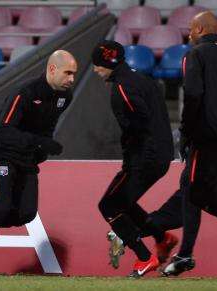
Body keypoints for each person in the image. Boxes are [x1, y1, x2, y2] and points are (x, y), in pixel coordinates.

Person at [108, 17, 217, 277]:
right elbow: (206, 105)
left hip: (211, 155)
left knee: (177, 213)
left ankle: (127, 233)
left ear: (199, 31)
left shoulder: (214, 68)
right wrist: (189, 136)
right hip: (211, 158)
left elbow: (207, 106)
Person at [0, 50, 78, 276]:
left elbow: (47, 127)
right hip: (1, 154)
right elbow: (2, 132)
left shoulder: (64, 97)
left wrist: (43, 149)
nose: (71, 79)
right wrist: (39, 142)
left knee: (26, 214)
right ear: (52, 69)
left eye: (74, 74)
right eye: (68, 72)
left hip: (26, 157)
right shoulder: (25, 93)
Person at [92, 40, 175, 278]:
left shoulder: (122, 88)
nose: (95, 69)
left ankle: (144, 257)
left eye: (98, 64)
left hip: (145, 157)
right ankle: (162, 238)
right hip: (159, 155)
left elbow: (140, 124)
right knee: (124, 203)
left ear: (108, 63)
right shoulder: (140, 78)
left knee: (109, 205)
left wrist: (131, 157)